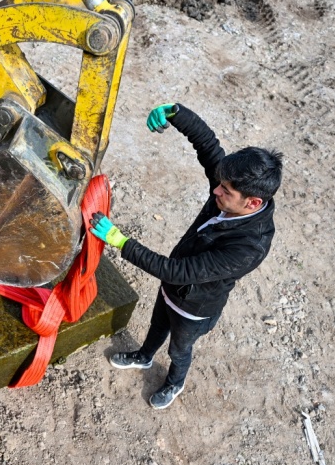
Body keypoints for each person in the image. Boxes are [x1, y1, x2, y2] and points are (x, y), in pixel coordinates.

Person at [90, 102, 283, 409]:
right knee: (156, 326)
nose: (216, 192)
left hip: (193, 309)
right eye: (219, 184)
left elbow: (177, 272)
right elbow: (208, 146)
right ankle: (143, 356)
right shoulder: (229, 194)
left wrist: (121, 241)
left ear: (252, 203)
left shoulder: (249, 248)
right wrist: (177, 113)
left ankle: (174, 382)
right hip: (170, 293)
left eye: (225, 191)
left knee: (179, 349)